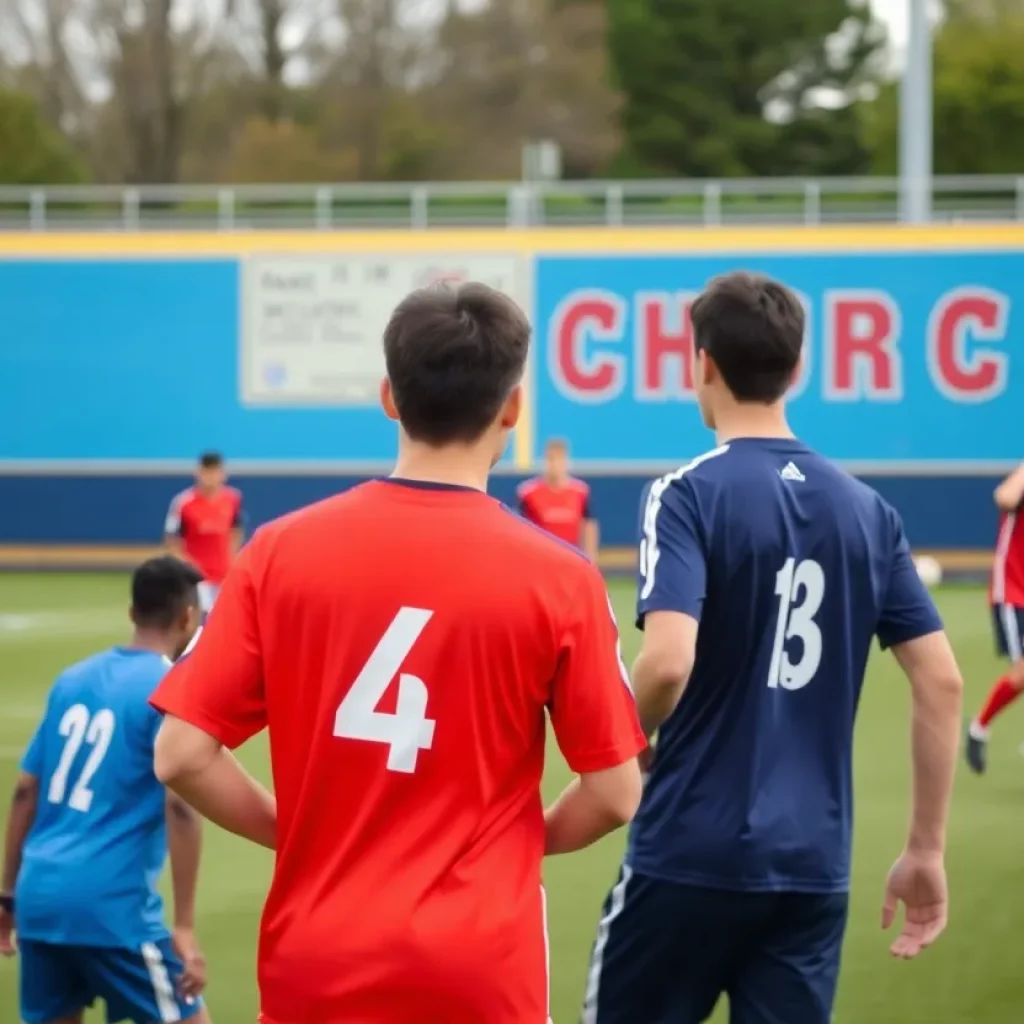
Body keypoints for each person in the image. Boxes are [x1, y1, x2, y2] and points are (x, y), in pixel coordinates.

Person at [148, 283, 646, 1024]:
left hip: (317, 962)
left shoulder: (278, 553)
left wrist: (301, 833)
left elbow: (181, 755)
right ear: (511, 410)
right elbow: (614, 793)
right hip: (481, 968)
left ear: (388, 396)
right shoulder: (562, 579)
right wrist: (506, 844)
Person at [582, 272, 963, 1024]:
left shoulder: (686, 494)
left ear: (704, 365)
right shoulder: (869, 512)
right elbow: (943, 683)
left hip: (688, 852)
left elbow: (666, 661)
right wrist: (924, 849)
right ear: (797, 370)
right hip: (811, 869)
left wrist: (623, 739)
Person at [0, 556, 211, 1024]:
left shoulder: (71, 679)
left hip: (40, 900)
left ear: (132, 612)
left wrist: (8, 895)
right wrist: (184, 926)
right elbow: (180, 807)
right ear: (186, 618)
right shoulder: (170, 687)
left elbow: (24, 792)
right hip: (112, 910)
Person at [965, 462, 1024, 774]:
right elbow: (1005, 497)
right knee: (1022, 672)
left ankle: (978, 727)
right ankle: (979, 726)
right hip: (1013, 590)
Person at [164, 452, 246, 615]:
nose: (211, 477)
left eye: (215, 472)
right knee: (202, 621)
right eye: (207, 472)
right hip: (198, 578)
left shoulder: (233, 499)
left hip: (224, 576)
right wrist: (186, 566)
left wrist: (232, 557)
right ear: (199, 472)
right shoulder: (184, 502)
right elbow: (172, 540)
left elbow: (236, 528)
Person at [517, 438, 599, 560]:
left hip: (571, 555)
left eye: (559, 459)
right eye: (551, 459)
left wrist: (591, 557)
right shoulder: (528, 492)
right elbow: (519, 526)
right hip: (541, 556)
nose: (555, 464)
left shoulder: (580, 491)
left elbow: (589, 524)